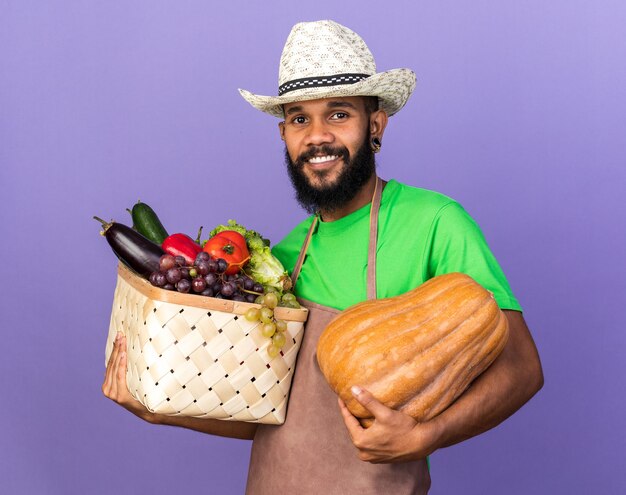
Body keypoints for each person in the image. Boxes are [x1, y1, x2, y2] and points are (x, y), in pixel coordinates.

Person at [103, 20, 543, 494]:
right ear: (283, 135)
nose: (316, 136)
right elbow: (265, 416)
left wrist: (424, 437)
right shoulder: (283, 260)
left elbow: (522, 369)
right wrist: (155, 408)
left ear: (375, 124)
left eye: (337, 114)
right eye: (299, 119)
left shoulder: (434, 222)